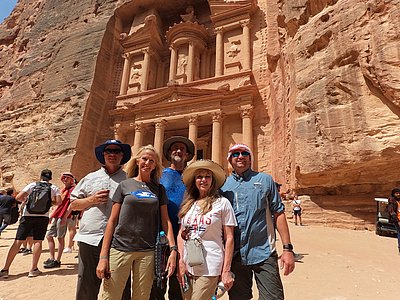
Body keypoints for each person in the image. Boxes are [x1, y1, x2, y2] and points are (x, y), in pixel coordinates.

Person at [96, 145, 177, 299]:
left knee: (142, 296)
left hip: (147, 251)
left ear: (155, 165)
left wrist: (173, 248)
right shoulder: (124, 185)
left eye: (151, 161)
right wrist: (103, 257)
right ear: (138, 161)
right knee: (110, 296)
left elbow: (165, 221)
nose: (147, 163)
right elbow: (112, 221)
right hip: (121, 247)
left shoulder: (159, 189)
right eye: (144, 159)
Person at [220, 144, 295, 300]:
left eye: (244, 153)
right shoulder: (223, 186)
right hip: (235, 255)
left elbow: (278, 213)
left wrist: (287, 249)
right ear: (230, 160)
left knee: (273, 297)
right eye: (235, 154)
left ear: (250, 158)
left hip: (264, 251)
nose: (240, 156)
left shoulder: (265, 180)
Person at [69, 139, 132, 300]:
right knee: (86, 284)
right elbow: (73, 204)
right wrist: (91, 200)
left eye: (116, 151)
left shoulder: (129, 180)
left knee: (120, 285)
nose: (112, 154)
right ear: (103, 154)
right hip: (90, 237)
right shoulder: (89, 178)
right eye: (109, 151)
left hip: (118, 239)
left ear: (122, 156)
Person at [177, 159, 237, 300]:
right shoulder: (188, 205)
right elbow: (181, 233)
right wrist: (181, 261)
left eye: (207, 176)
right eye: (199, 176)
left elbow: (229, 238)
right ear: (194, 181)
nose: (203, 180)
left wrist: (226, 270)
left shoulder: (222, 203)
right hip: (188, 265)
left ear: (212, 180)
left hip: (210, 265)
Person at [150, 136, 195, 300]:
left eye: (182, 149)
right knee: (158, 281)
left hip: (185, 236)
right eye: (175, 148)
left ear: (187, 154)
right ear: (169, 153)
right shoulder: (159, 175)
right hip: (161, 234)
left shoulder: (194, 175)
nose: (178, 151)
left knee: (180, 281)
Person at [0, 169, 61, 278]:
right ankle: (33, 269)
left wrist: (27, 201)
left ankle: (5, 270)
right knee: (38, 241)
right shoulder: (53, 188)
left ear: (41, 176)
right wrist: (49, 202)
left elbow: (18, 198)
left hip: (27, 216)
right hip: (43, 217)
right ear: (50, 178)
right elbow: (59, 202)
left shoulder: (32, 185)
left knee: (18, 242)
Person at [43, 172, 76, 268]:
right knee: (49, 236)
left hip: (63, 216)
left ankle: (57, 260)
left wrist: (65, 217)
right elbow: (58, 205)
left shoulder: (73, 190)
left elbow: (71, 205)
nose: (65, 179)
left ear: (71, 179)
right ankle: (52, 258)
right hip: (58, 215)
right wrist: (52, 215)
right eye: (63, 178)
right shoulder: (63, 190)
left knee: (60, 237)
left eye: (67, 178)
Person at [387, 188, 400, 254]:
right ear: (393, 194)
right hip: (396, 219)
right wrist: (394, 216)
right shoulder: (391, 199)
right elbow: (390, 209)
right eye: (396, 193)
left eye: (399, 193)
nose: (398, 194)